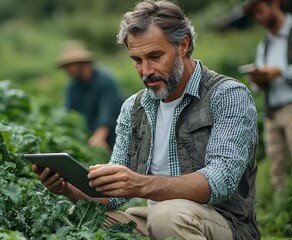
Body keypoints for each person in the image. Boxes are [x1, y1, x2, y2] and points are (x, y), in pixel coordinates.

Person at [34, 1, 260, 239]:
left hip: (224, 223)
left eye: (155, 56)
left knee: (166, 215)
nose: (146, 70)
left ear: (183, 45)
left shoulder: (227, 95)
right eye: (137, 60)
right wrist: (68, 189)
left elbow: (220, 180)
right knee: (79, 217)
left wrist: (140, 184)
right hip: (159, 221)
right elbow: (113, 197)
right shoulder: (135, 107)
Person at [243, 0, 292, 195]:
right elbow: (256, 88)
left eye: (260, 11)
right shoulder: (265, 44)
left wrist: (280, 71)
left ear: (274, 3)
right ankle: (282, 211)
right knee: (277, 169)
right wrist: (259, 78)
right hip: (271, 113)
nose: (258, 18)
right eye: (255, 15)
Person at [57, 40, 124, 151]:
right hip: (89, 136)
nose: (68, 70)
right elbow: (69, 112)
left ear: (82, 64)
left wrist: (99, 136)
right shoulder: (73, 86)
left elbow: (108, 112)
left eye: (70, 66)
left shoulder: (105, 80)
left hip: (113, 135)